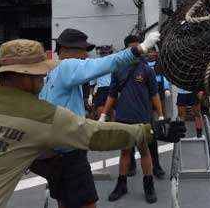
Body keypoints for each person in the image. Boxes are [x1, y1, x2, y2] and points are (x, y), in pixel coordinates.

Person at [0, 39, 186, 208]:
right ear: (29, 77)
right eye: (39, 76)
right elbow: (96, 135)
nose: (42, 81)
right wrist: (152, 130)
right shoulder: (40, 115)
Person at [38, 28, 160, 208]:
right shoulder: (67, 66)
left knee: (64, 202)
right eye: (82, 50)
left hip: (53, 153)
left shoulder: (51, 72)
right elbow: (107, 64)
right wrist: (141, 48)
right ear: (66, 49)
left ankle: (142, 184)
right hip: (70, 155)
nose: (86, 55)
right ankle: (126, 183)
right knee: (87, 204)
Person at [100, 34, 166, 202]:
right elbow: (112, 94)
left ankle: (148, 185)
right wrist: (103, 115)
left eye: (140, 48)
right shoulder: (118, 69)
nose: (139, 52)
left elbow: (154, 94)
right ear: (128, 50)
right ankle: (121, 185)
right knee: (125, 153)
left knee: (145, 151)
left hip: (143, 118)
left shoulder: (147, 70)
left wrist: (160, 115)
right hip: (123, 118)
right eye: (135, 49)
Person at [90, 45, 113, 120]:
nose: (105, 54)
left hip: (112, 88)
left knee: (113, 112)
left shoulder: (115, 64)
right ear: (100, 54)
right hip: (101, 90)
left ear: (110, 53)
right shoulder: (96, 65)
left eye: (107, 53)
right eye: (103, 53)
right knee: (100, 110)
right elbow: (92, 83)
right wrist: (90, 95)